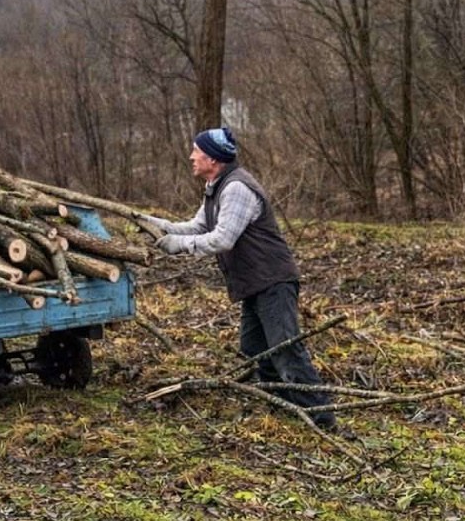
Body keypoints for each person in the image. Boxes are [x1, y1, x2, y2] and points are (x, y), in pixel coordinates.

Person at [144, 128, 337, 431]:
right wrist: (158, 226)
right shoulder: (216, 186)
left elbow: (223, 239)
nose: (191, 157)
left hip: (272, 281)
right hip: (255, 284)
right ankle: (283, 405)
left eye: (197, 151)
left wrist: (177, 246)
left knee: (285, 348)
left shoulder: (236, 188)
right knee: (255, 348)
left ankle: (320, 417)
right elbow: (198, 227)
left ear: (213, 158)